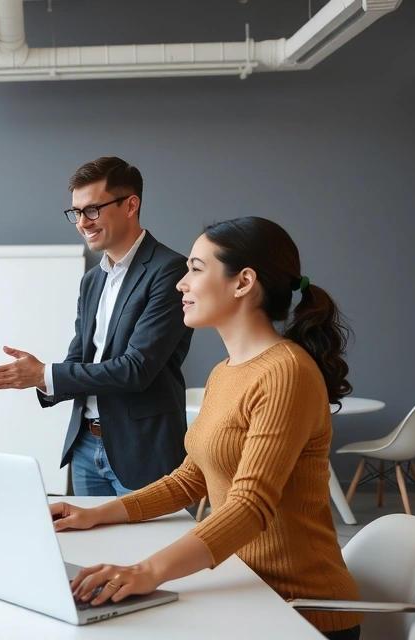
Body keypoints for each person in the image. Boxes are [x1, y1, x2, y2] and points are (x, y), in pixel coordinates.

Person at [54, 217, 362, 640]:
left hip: (296, 609)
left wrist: (147, 571)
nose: (182, 284)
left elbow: (250, 505)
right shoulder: (226, 372)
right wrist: (93, 514)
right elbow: (191, 477)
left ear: (243, 282)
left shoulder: (286, 372)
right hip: (242, 586)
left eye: (196, 269)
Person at [0, 157, 192, 496]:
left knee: (144, 551)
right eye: (75, 212)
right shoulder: (93, 280)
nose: (82, 223)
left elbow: (137, 369)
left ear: (130, 205)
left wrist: (46, 374)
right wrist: (39, 377)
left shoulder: (170, 270)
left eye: (91, 210)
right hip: (84, 450)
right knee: (91, 551)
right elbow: (80, 358)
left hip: (142, 453)